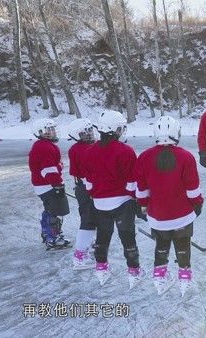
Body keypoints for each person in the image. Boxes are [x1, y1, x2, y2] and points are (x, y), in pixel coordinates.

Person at [135, 116, 204, 296]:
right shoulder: (186, 156)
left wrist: (142, 206)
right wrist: (198, 204)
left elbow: (141, 189)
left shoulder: (144, 157)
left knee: (161, 245)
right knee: (183, 246)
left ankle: (159, 278)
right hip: (182, 214)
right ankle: (185, 279)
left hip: (158, 216)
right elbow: (192, 189)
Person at [83, 110, 144, 287]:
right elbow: (132, 181)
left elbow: (89, 181)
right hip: (122, 203)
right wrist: (138, 200)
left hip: (99, 203)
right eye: (120, 128)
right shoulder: (125, 151)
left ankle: (101, 267)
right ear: (114, 129)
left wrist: (93, 194)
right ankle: (134, 271)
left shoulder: (90, 151)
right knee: (127, 237)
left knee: (103, 236)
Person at [28, 118, 71, 250]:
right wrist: (57, 185)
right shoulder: (44, 147)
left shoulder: (44, 145)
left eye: (52, 129)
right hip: (47, 186)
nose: (52, 132)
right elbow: (48, 169)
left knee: (51, 210)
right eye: (48, 130)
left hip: (45, 185)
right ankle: (51, 236)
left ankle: (50, 233)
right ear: (40, 132)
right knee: (54, 211)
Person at [68, 118, 97, 270]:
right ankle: (80, 256)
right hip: (86, 188)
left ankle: (89, 244)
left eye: (90, 131)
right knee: (88, 220)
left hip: (84, 187)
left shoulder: (80, 148)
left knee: (91, 218)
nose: (90, 135)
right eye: (85, 133)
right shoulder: (83, 149)